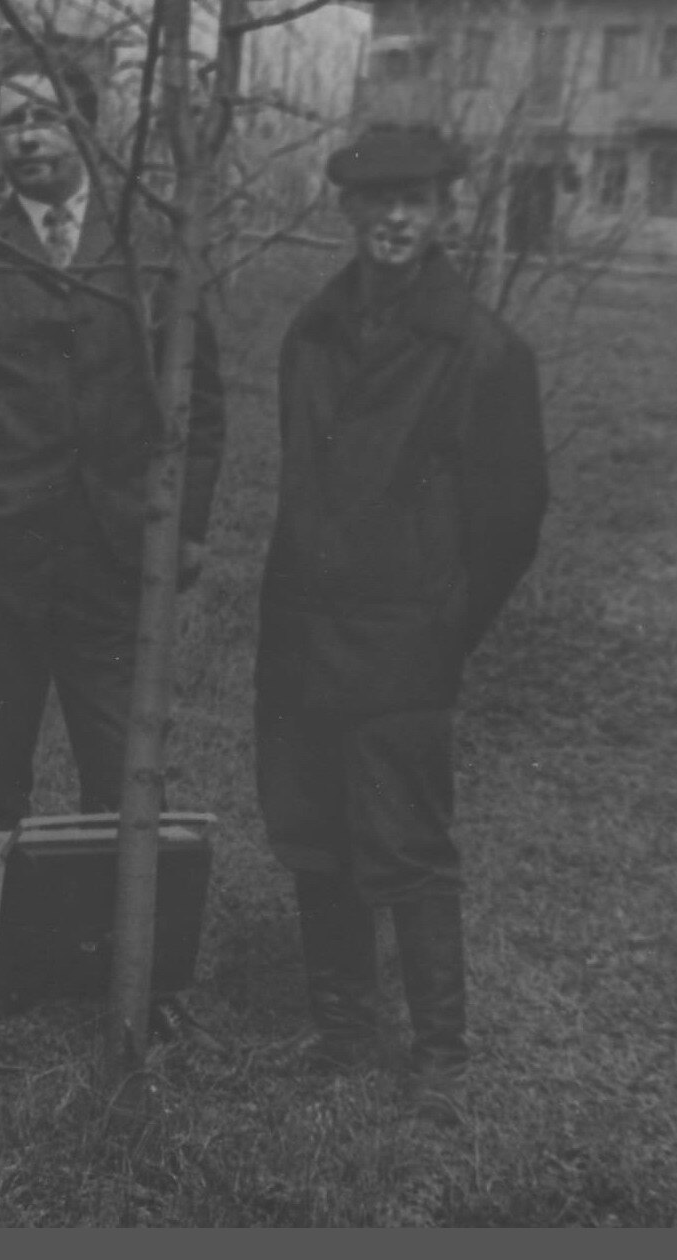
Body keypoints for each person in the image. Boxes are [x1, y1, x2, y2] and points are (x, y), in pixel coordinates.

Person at [0, 54, 226, 992]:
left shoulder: (150, 250)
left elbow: (204, 407)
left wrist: (182, 528)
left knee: (119, 771)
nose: (28, 136)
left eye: (46, 117)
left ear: (87, 126)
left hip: (115, 559)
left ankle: (115, 966)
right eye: (10, 122)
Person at [252, 123, 548, 1124]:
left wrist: (438, 625)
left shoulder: (480, 349)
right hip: (301, 633)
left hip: (401, 642)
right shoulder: (315, 328)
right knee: (315, 836)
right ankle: (344, 1032)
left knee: (409, 847)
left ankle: (440, 1055)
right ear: (346, 209)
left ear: (446, 208)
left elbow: (510, 523)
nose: (394, 217)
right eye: (376, 199)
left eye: (415, 198)